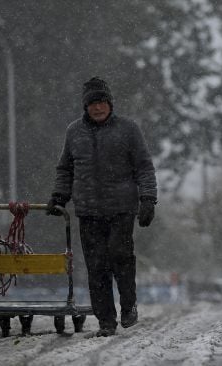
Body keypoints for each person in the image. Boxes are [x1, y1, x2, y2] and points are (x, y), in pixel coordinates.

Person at [46, 77, 157, 337]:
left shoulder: (129, 130)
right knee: (96, 267)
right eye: (92, 103)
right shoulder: (73, 132)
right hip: (88, 211)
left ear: (110, 103)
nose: (98, 108)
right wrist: (59, 196)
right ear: (85, 107)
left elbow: (144, 167)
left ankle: (128, 305)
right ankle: (106, 321)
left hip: (121, 209)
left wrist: (148, 199)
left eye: (102, 102)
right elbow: (66, 168)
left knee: (120, 257)